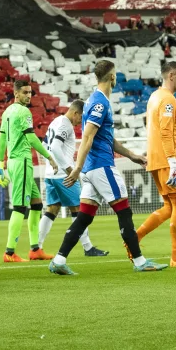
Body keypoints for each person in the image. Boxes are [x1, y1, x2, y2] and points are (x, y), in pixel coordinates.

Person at [49, 60, 168, 275]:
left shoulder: (96, 101)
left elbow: (105, 138)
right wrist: (77, 167)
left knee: (84, 216)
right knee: (124, 211)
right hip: (101, 167)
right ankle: (140, 261)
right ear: (112, 77)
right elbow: (87, 137)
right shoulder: (99, 103)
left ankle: (58, 260)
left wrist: (132, 155)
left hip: (91, 170)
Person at [135, 62, 176, 268]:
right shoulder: (168, 99)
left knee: (169, 206)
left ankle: (133, 239)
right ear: (171, 75)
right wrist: (174, 163)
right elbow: (165, 132)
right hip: (167, 159)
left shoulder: (155, 96)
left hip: (157, 159)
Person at [0, 79, 59, 262]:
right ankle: (9, 252)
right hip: (22, 161)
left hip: (15, 162)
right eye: (25, 92)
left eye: (30, 92)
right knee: (19, 207)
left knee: (37, 203)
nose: (28, 96)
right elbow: (31, 138)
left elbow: (1, 139)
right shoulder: (24, 112)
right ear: (16, 94)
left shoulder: (7, 112)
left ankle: (35, 249)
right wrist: (49, 157)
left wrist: (0, 161)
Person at [39, 101, 107, 257]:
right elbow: (55, 147)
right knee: (79, 209)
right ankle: (88, 248)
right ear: (75, 113)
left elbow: (44, 146)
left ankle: (37, 247)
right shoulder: (65, 125)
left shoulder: (56, 121)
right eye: (80, 117)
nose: (79, 122)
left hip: (50, 174)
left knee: (52, 209)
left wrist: (51, 163)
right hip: (64, 176)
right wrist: (69, 169)